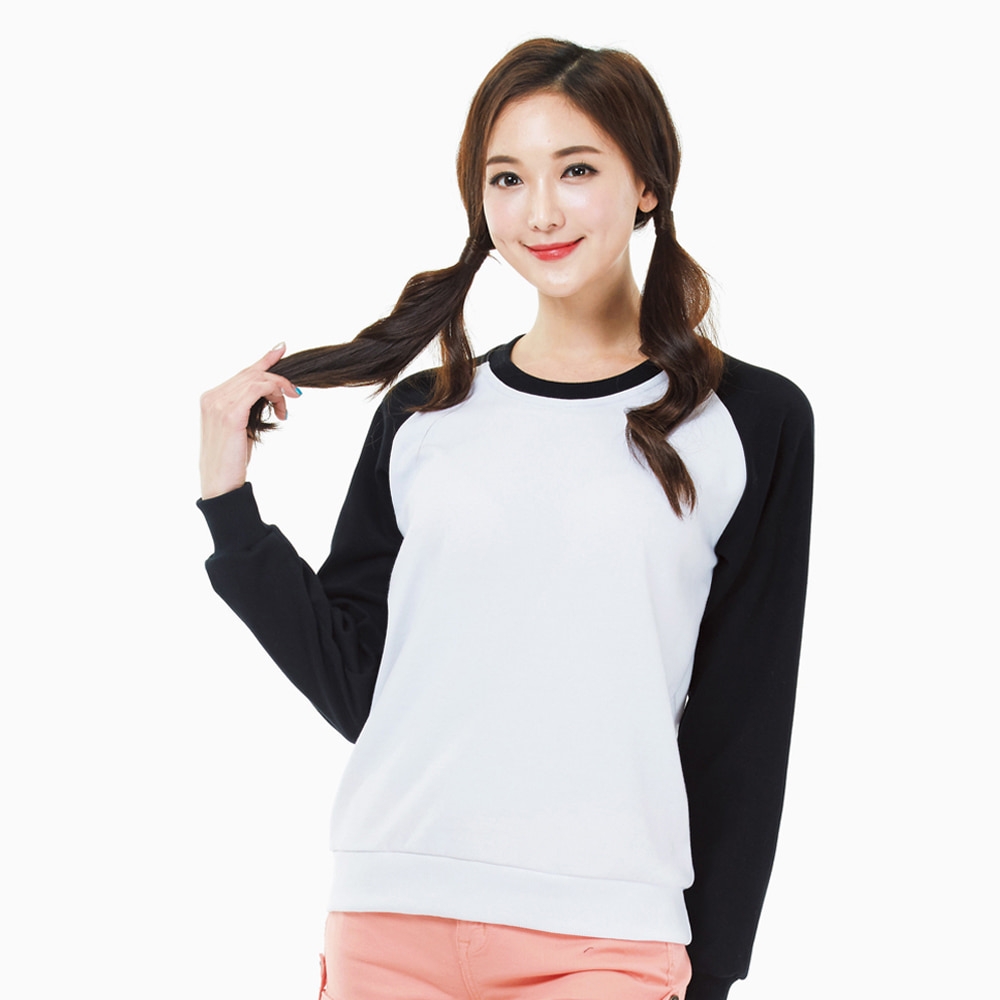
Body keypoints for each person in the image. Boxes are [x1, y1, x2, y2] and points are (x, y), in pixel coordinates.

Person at [197, 38, 813, 1000]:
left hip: (608, 942)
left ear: (647, 184)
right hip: (390, 923)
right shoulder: (422, 415)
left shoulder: (750, 419)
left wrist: (713, 973)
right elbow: (365, 690)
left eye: (578, 170)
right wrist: (231, 514)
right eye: (507, 178)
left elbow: (744, 723)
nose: (541, 212)